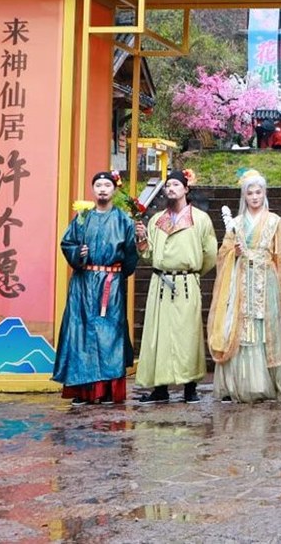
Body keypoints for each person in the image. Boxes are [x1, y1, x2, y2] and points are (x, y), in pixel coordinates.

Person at [207, 170, 281, 403]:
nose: (254, 197)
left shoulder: (274, 221)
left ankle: (264, 384)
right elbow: (222, 254)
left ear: (264, 193)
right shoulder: (236, 223)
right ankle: (238, 384)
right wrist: (233, 253)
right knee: (240, 328)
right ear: (244, 196)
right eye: (249, 193)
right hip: (240, 281)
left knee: (264, 328)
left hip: (266, 281)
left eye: (258, 192)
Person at [52, 171, 140, 405]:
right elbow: (67, 243)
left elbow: (130, 256)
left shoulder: (124, 220)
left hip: (110, 285)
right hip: (83, 284)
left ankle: (109, 391)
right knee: (80, 334)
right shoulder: (82, 218)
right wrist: (77, 253)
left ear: (114, 190)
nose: (102, 189)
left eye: (107, 185)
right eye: (98, 185)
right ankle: (82, 391)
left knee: (110, 336)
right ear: (93, 190)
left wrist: (119, 274)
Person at [134, 169, 218, 404]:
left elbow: (210, 253)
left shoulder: (200, 219)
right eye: (168, 185)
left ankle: (190, 387)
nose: (171, 189)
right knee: (158, 334)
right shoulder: (156, 220)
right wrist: (142, 239)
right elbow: (148, 255)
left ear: (186, 189)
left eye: (176, 185)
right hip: (160, 282)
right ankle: (159, 388)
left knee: (188, 335)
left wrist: (192, 274)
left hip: (186, 282)